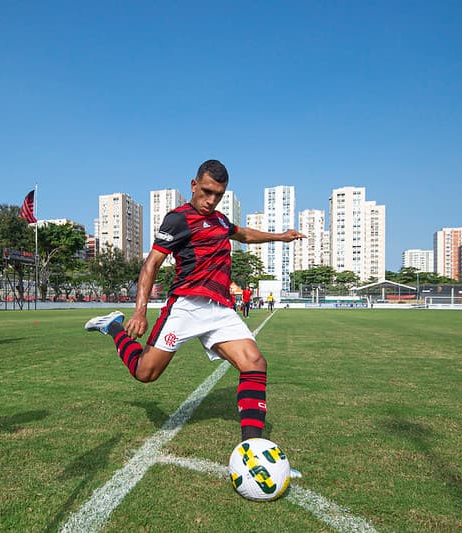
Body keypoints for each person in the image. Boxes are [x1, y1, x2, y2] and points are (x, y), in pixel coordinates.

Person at [85, 160, 305, 441]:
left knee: (255, 363)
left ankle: (253, 449)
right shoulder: (178, 219)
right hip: (186, 306)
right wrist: (139, 312)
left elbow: (245, 234)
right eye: (206, 191)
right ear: (193, 185)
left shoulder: (221, 220)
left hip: (220, 309)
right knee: (145, 373)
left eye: (218, 195)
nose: (211, 200)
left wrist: (280, 236)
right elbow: (151, 263)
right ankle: (112, 326)